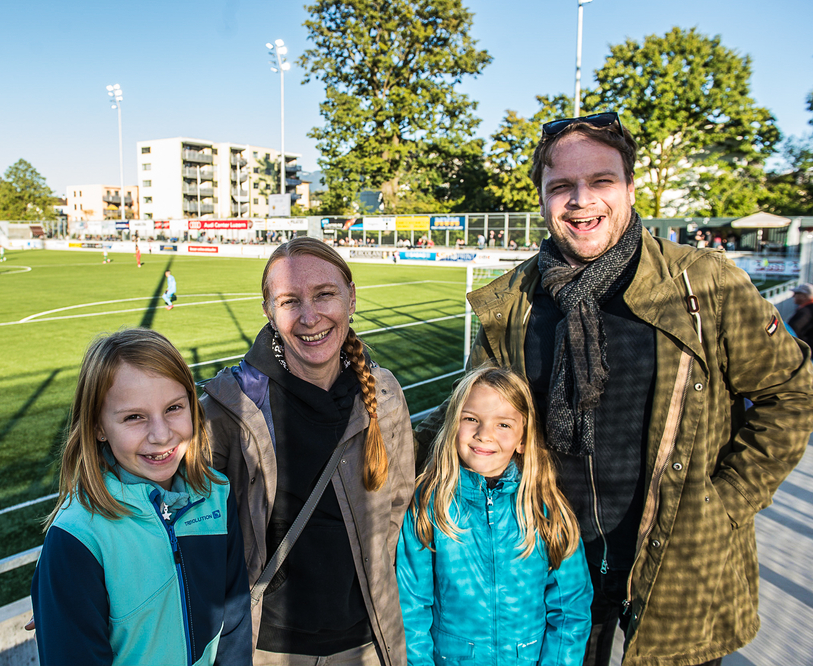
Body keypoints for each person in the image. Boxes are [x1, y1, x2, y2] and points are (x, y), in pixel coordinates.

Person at [415, 111, 813, 666]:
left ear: (629, 188)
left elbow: (792, 390)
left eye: (600, 182)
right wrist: (368, 426)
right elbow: (468, 415)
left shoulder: (704, 284)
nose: (581, 201)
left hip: (680, 560)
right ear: (543, 198)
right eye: (561, 187)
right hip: (552, 561)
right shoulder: (512, 304)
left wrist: (728, 500)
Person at [202, 237, 415, 665]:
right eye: (289, 301)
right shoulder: (231, 405)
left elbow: (397, 507)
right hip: (268, 649)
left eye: (325, 294)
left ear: (351, 297)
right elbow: (162, 498)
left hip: (367, 644)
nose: (310, 316)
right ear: (268, 310)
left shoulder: (385, 393)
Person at [30, 328, 251, 666]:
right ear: (97, 427)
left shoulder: (216, 496)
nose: (161, 435)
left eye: (174, 408)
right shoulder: (78, 537)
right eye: (134, 417)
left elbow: (234, 626)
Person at [397, 365, 592, 666]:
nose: (484, 434)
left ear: (523, 437)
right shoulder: (428, 507)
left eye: (503, 424)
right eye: (472, 419)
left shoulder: (546, 510)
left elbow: (570, 612)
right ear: (453, 425)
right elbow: (411, 609)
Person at [787, 283, 813, 349]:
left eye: (796, 293)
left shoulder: (806, 311)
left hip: (805, 350)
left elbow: (793, 329)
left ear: (804, 296)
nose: (793, 296)